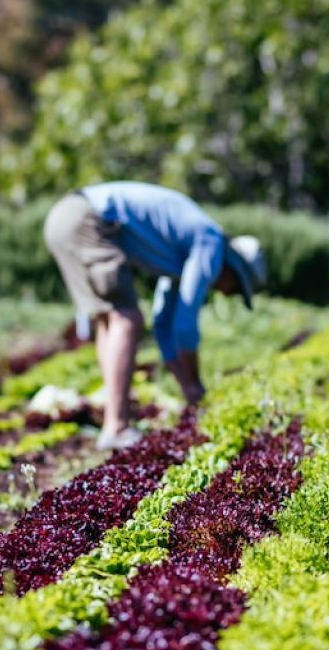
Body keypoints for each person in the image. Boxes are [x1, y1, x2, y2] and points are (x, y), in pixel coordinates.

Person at [44, 181, 266, 449]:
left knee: (109, 318)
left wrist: (187, 388)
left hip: (65, 218)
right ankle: (116, 426)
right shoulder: (211, 242)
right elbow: (184, 326)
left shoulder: (184, 253)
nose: (228, 293)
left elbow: (163, 326)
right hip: (88, 219)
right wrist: (195, 386)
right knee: (127, 319)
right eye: (236, 288)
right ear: (234, 269)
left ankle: (113, 421)